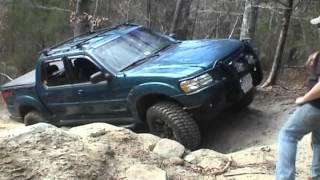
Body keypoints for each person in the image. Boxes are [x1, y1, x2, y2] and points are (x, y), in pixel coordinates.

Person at [276, 16, 320, 180]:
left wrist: (304, 99)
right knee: (319, 141)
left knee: (288, 135)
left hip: (316, 106)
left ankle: (285, 177)